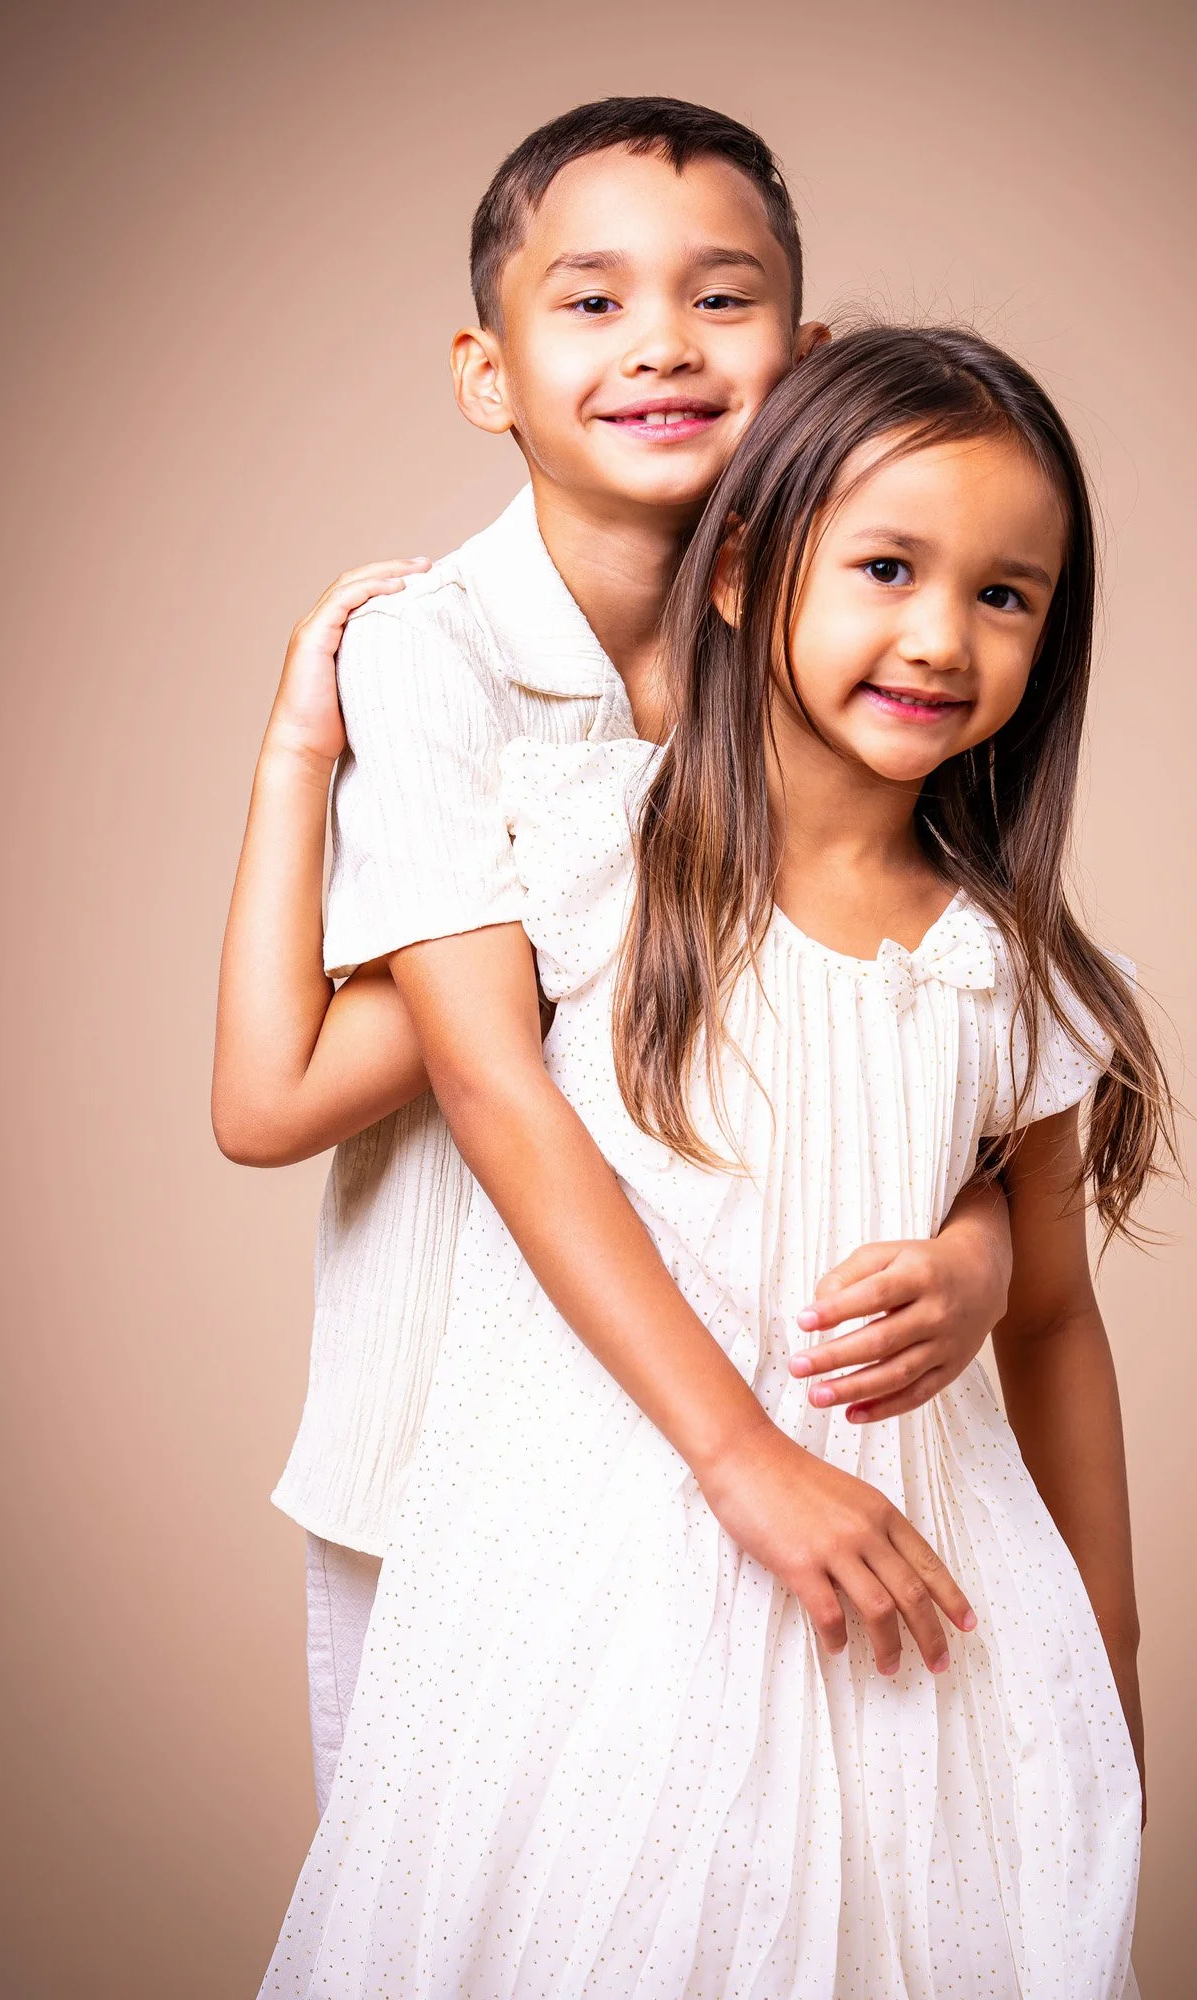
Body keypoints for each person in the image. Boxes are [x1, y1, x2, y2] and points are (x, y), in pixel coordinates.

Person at [253, 324, 1175, 1998]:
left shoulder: (1006, 968)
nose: (941, 635)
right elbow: (302, 1093)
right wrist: (296, 763)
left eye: (1007, 594)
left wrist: (1108, 1649)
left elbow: (1049, 1319)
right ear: (743, 572)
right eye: (889, 565)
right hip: (608, 1594)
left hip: (917, 1615)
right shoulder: (586, 849)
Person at [214, 98, 1015, 1812]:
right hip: (460, 1459)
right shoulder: (442, 656)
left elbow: (946, 1024)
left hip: (754, 1439)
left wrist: (982, 1250)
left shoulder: (845, 644)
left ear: (799, 357)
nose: (662, 340)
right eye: (592, 301)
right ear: (486, 371)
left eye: (720, 300)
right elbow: (416, 1082)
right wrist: (296, 760)